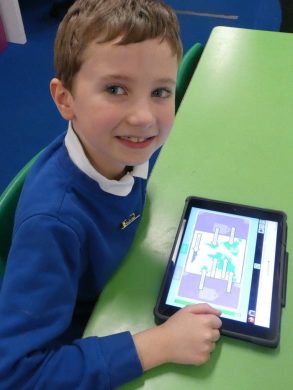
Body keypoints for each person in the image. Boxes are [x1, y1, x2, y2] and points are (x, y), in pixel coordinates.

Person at [0, 0, 221, 388]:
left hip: (117, 286)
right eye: (116, 89)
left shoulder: (118, 149)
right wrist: (159, 345)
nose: (143, 117)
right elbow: (18, 373)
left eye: (160, 92)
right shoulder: (53, 225)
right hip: (83, 338)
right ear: (64, 98)